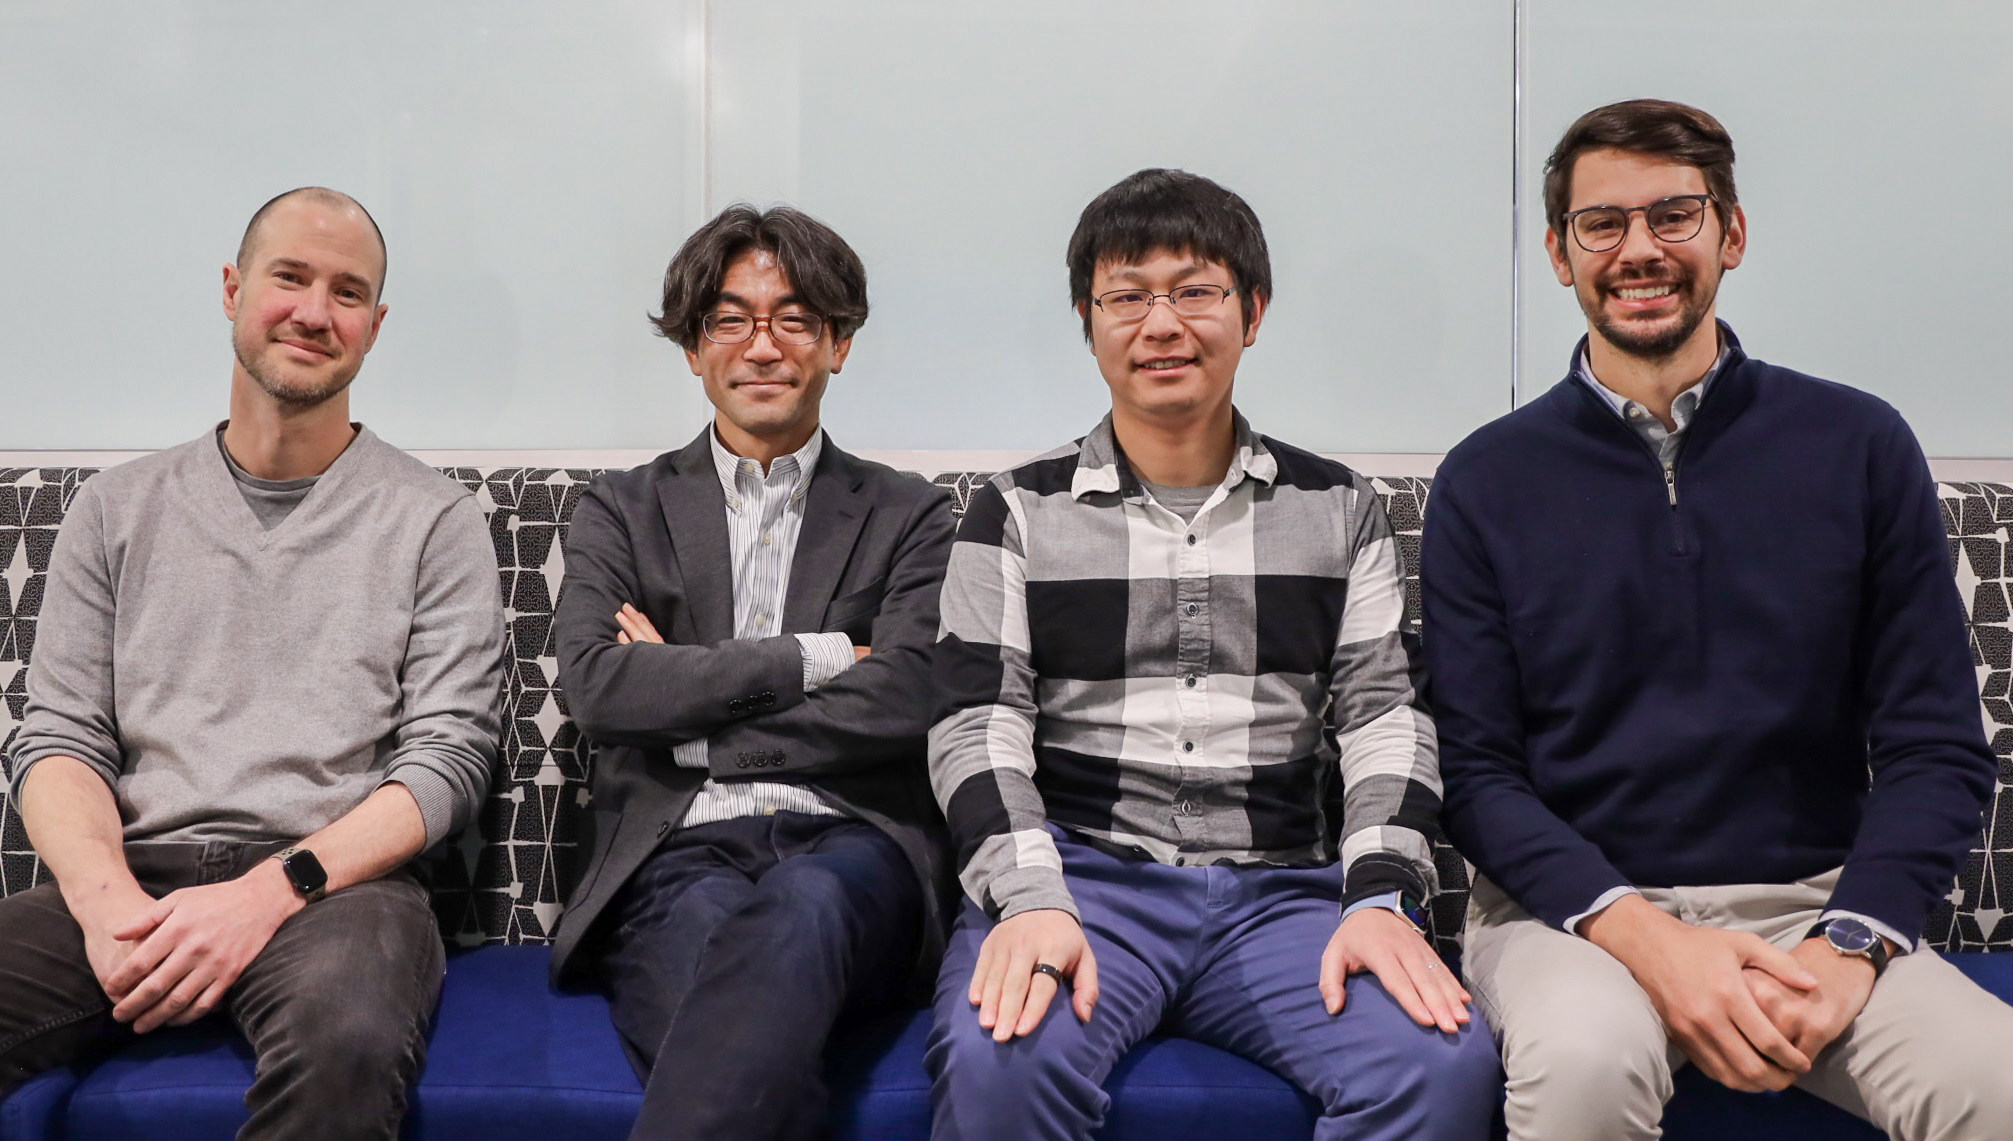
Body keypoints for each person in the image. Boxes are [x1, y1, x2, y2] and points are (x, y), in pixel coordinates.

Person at [1424, 98, 2013, 1140]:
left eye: (1673, 215)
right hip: (1571, 920)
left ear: (1730, 234)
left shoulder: (1860, 444)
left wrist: (1850, 943)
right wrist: (1646, 937)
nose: (1638, 249)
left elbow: (1935, 748)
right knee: (1584, 1069)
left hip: (1814, 903)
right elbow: (1477, 777)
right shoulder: (1483, 480)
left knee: (1995, 1079)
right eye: (1602, 223)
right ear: (1560, 255)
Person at [925, 168, 1501, 1141]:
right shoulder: (1015, 510)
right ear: (1088, 320)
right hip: (1083, 880)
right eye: (1126, 296)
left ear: (1253, 311)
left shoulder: (1340, 509)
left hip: (1287, 894)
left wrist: (1379, 895)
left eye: (1194, 290)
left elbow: (1384, 720)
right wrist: (1028, 899)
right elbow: (976, 724)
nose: (1162, 323)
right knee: (1000, 1063)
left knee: (1439, 1068)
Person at [0, 187, 506, 1140]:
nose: (315, 311)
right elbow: (59, 739)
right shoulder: (115, 508)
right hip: (134, 873)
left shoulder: (435, 520)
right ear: (233, 290)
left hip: (338, 892)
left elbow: (448, 762)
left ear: (374, 326)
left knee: (347, 1046)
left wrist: (267, 891)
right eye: (290, 278)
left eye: (347, 292)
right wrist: (107, 906)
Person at [551, 203, 956, 1141]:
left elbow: (907, 694)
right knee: (737, 1011)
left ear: (838, 344)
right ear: (695, 349)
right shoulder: (621, 509)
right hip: (673, 849)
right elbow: (600, 688)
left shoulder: (912, 514)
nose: (763, 346)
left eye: (795, 320)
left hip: (854, 843)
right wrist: (821, 656)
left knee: (803, 905)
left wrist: (690, 721)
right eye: (730, 320)